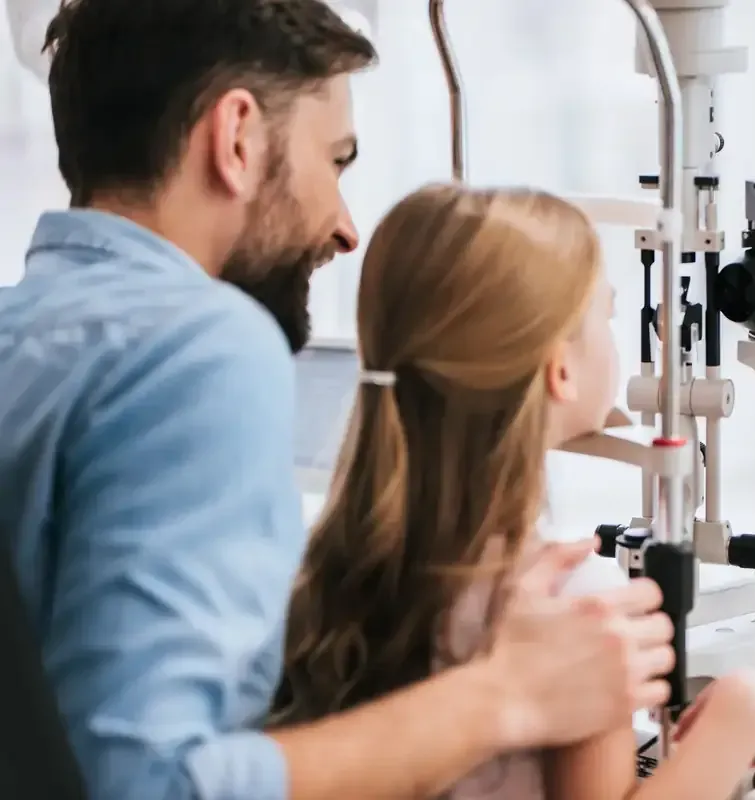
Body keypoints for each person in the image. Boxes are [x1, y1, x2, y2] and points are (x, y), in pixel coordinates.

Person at [0, 1, 677, 798]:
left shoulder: (21, 337)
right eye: (335, 160)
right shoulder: (201, 346)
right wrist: (508, 695)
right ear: (238, 138)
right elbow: (149, 786)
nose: (347, 228)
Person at [272, 182, 755, 799]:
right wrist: (742, 713)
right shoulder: (569, 606)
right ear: (561, 370)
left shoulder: (323, 567)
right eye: (607, 316)